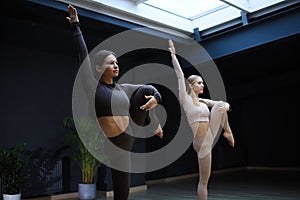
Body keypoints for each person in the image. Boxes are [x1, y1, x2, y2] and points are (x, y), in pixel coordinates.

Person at [66, 5, 163, 200]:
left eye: (117, 62)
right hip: (113, 141)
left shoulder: (123, 88)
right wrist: (76, 25)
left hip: (130, 133)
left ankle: (155, 123)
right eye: (111, 63)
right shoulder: (92, 86)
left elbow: (153, 90)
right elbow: (82, 55)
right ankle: (154, 124)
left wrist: (156, 99)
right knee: (121, 184)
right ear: (99, 67)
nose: (116, 65)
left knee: (145, 91)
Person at [168, 40, 234, 200]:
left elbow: (224, 105)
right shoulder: (186, 99)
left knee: (219, 104)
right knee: (204, 181)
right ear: (191, 86)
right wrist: (173, 56)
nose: (202, 85)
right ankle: (228, 133)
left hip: (210, 134)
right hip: (201, 141)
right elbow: (179, 75)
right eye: (199, 83)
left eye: (203, 83)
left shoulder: (204, 102)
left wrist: (226, 106)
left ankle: (228, 132)